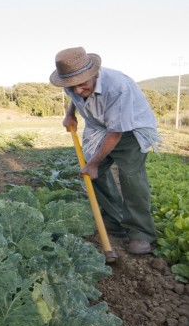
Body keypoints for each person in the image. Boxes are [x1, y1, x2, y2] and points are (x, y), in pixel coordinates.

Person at [49, 47, 162, 255]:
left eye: (82, 85)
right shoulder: (71, 83)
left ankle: (140, 232)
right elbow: (76, 97)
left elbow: (115, 133)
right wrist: (70, 114)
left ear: (94, 74)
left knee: (131, 178)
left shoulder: (118, 87)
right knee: (95, 175)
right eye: (71, 87)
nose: (77, 91)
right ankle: (115, 219)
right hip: (98, 129)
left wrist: (93, 163)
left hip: (130, 130)